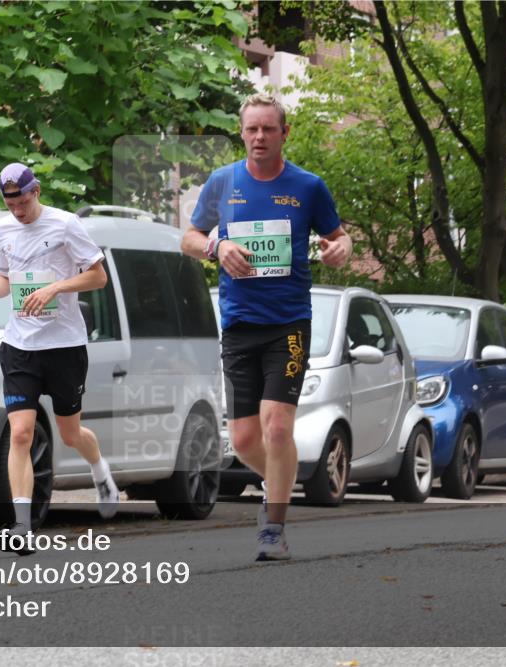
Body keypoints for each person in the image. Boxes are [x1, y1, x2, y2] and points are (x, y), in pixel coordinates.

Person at [181, 94, 352, 561]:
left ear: (284, 133)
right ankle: (281, 479)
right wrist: (216, 250)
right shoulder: (222, 183)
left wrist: (343, 247)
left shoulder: (308, 187)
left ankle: (272, 528)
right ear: (242, 133)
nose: (259, 137)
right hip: (238, 324)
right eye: (252, 129)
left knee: (278, 427)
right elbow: (189, 238)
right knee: (243, 440)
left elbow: (338, 237)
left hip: (289, 324)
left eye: (268, 129)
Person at [0, 163, 119, 553]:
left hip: (64, 347)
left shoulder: (65, 225)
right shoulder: (2, 230)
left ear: (36, 191)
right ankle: (21, 526)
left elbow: (98, 277)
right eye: (10, 204)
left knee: (70, 433)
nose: (18, 210)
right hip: (20, 346)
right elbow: (6, 277)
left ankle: (100, 470)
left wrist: (57, 286)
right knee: (21, 433)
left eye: (23, 201)